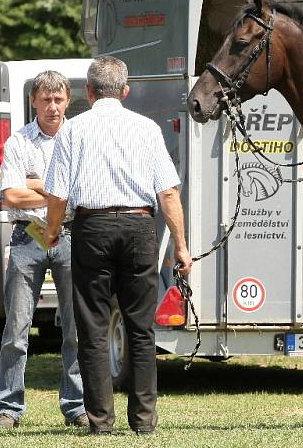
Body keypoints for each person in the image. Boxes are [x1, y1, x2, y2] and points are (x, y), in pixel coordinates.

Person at [43, 56, 192, 435]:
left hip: (91, 227)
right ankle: (143, 421)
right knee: (140, 327)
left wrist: (53, 230)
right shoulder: (146, 128)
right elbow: (168, 194)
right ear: (125, 92)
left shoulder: (72, 130)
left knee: (92, 325)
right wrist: (181, 245)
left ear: (89, 92)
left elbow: (57, 195)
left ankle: (101, 422)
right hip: (140, 225)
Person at [0, 71, 87, 429]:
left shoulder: (79, 138)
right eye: (45, 99)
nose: (52, 106)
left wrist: (34, 184)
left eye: (58, 99)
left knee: (75, 329)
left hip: (69, 235)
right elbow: (10, 195)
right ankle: (9, 408)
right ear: (33, 100)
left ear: (67, 101)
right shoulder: (19, 141)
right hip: (28, 235)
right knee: (17, 327)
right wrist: (56, 191)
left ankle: (76, 407)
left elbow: (83, 192)